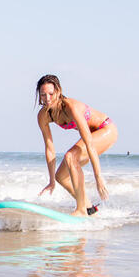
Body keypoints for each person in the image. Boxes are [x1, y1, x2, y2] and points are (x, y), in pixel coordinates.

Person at [36, 74, 118, 217]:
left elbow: (89, 143)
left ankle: (80, 210)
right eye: (43, 95)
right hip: (91, 136)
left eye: (51, 94)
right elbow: (49, 148)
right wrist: (51, 181)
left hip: (106, 130)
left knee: (71, 156)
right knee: (61, 176)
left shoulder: (71, 108)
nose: (47, 98)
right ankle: (89, 208)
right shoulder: (43, 115)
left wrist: (98, 177)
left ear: (58, 91)